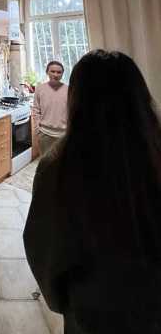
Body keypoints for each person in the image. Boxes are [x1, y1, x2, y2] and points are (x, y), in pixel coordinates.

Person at [23, 50, 161, 334]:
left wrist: (64, 300)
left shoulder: (58, 168)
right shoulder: (154, 155)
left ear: (77, 100)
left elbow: (42, 247)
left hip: (90, 312)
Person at [32, 60, 68, 155]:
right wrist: (37, 129)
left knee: (63, 162)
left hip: (64, 134)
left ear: (62, 74)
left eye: (59, 72)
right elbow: (36, 109)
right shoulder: (39, 89)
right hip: (45, 134)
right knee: (46, 162)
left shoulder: (69, 90)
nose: (56, 75)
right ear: (47, 72)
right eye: (52, 71)